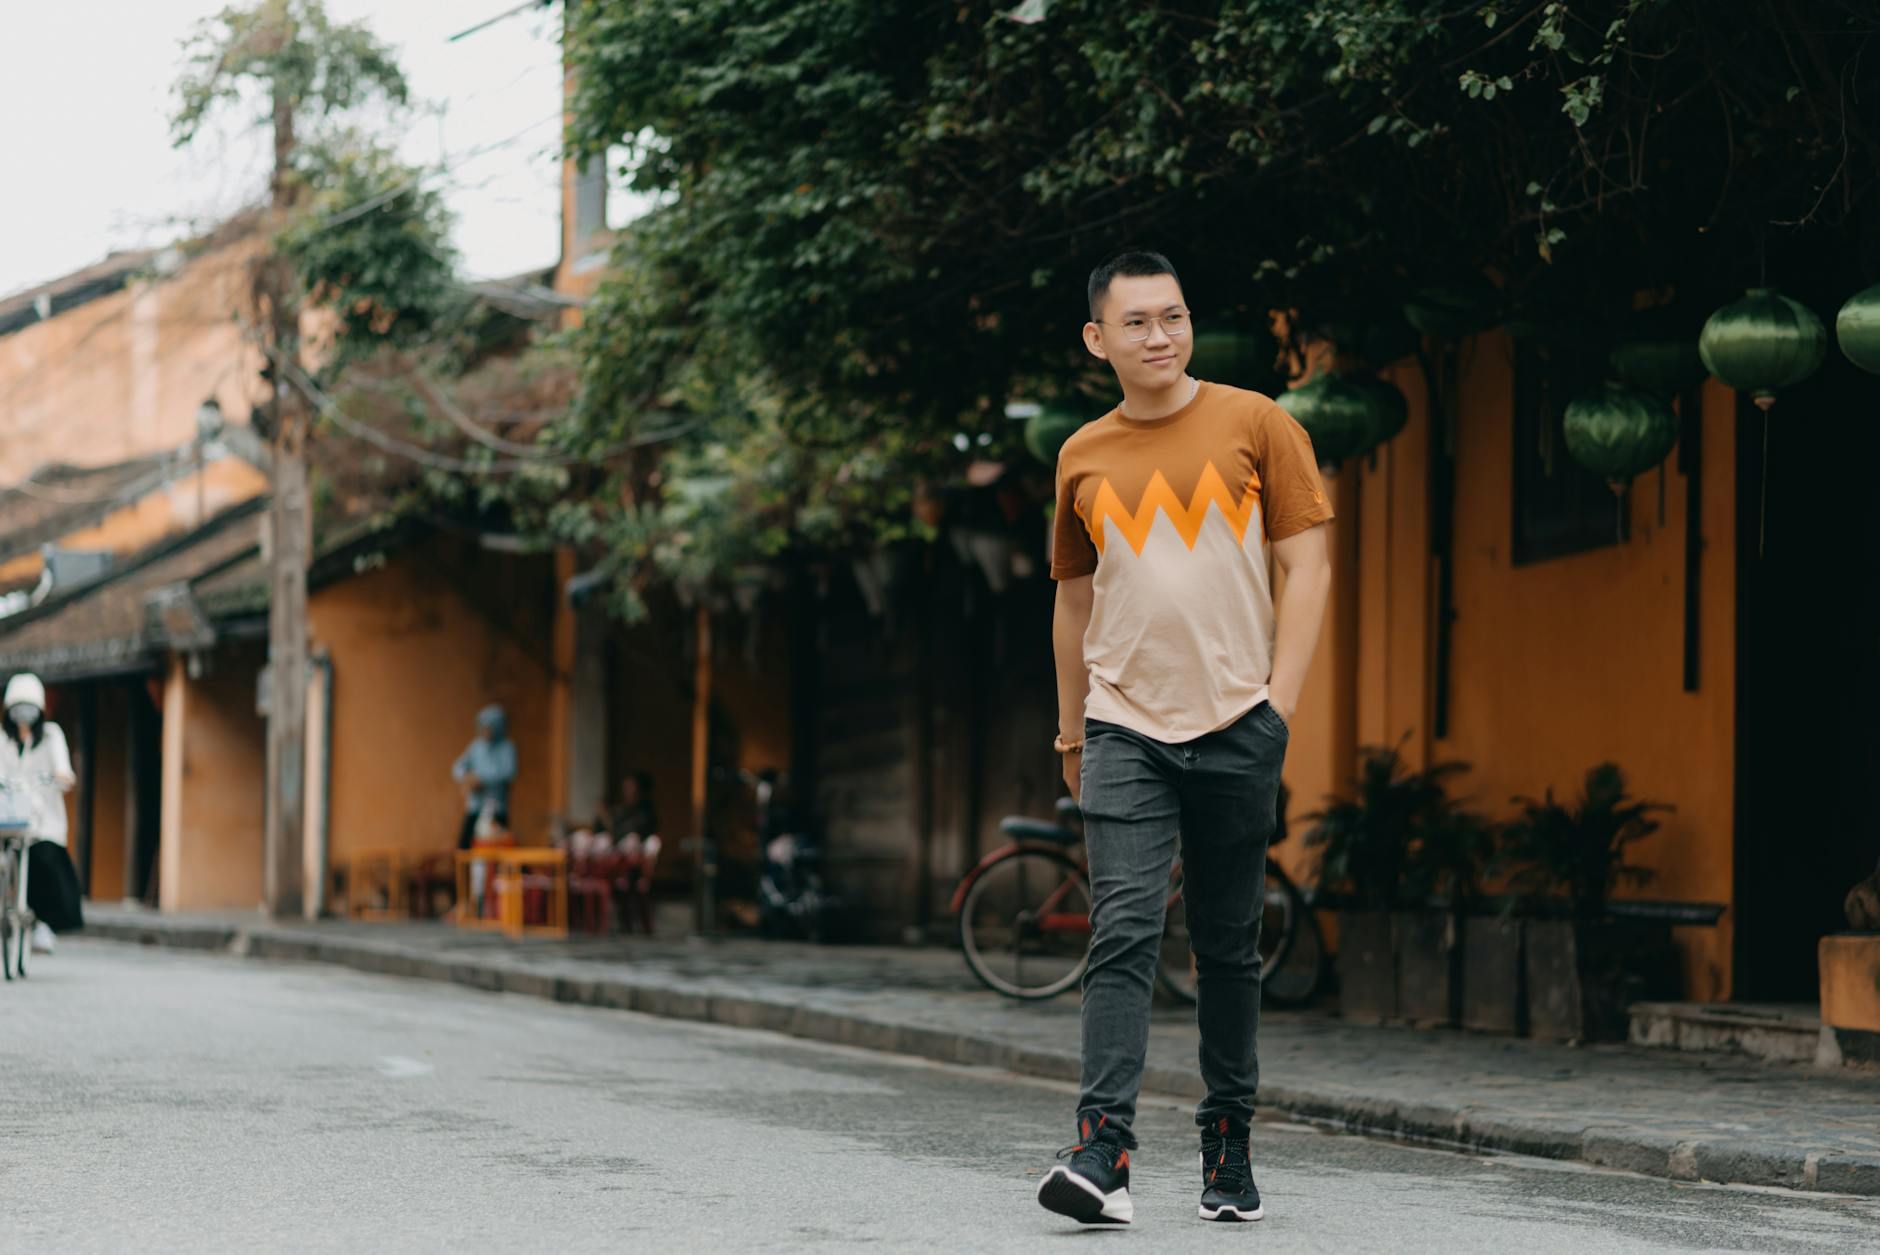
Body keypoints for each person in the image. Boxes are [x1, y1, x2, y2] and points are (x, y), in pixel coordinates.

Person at [1034, 252, 1333, 1227]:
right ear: (1098, 339)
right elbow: (1071, 606)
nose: (1158, 336)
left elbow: (1308, 566)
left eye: (1173, 316)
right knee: (1122, 928)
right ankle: (1102, 1150)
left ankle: (1227, 1141)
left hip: (1236, 720)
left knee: (1226, 943)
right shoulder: (1080, 453)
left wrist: (1276, 705)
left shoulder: (1257, 422)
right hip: (1124, 725)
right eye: (1136, 322)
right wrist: (1072, 730)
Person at [0, 673, 84, 954]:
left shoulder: (51, 736)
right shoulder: (3, 739)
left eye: (29, 707)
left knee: (45, 857)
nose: (23, 714)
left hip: (42, 819)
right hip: (7, 816)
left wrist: (61, 777)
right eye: (17, 707)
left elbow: (63, 770)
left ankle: (43, 921)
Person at [452, 705, 517, 852]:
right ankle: (465, 875)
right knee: (464, 846)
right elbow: (457, 767)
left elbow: (508, 772)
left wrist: (484, 780)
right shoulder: (476, 747)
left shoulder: (507, 748)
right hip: (475, 805)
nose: (486, 731)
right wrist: (467, 778)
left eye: (490, 727)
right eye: (483, 727)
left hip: (496, 806)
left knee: (500, 847)